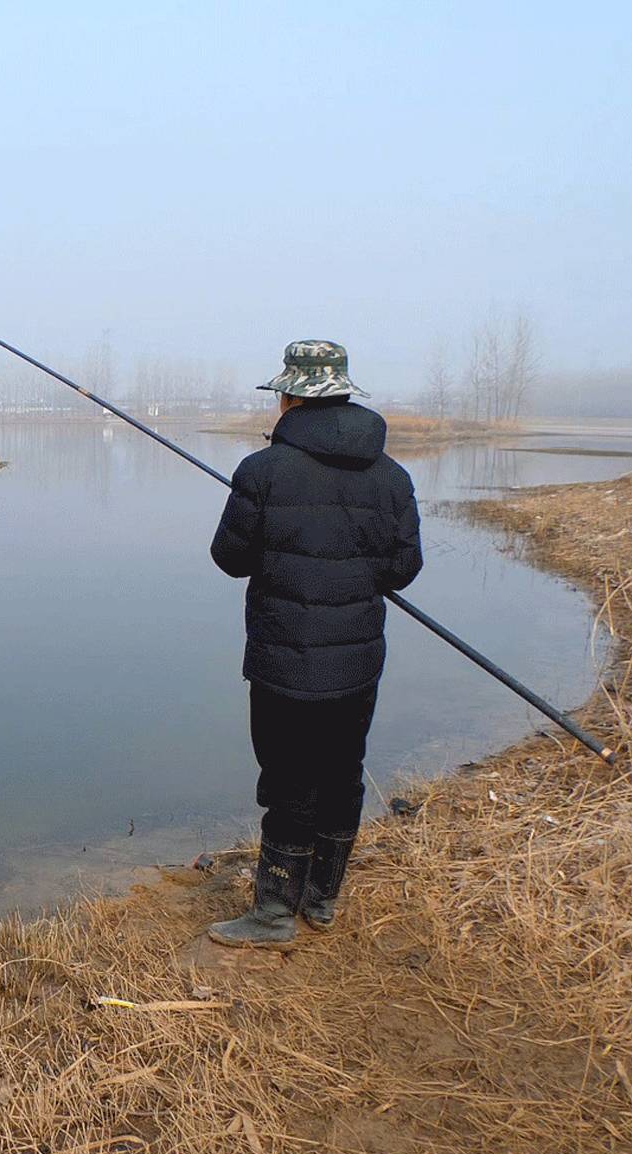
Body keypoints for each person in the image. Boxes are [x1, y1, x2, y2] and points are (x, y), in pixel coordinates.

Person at [206, 340, 423, 949]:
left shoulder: (262, 470)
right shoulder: (393, 476)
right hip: (358, 663)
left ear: (291, 396)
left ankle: (274, 915)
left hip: (283, 662)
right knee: (342, 772)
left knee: (288, 779)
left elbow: (229, 558)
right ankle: (322, 900)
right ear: (346, 393)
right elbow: (404, 569)